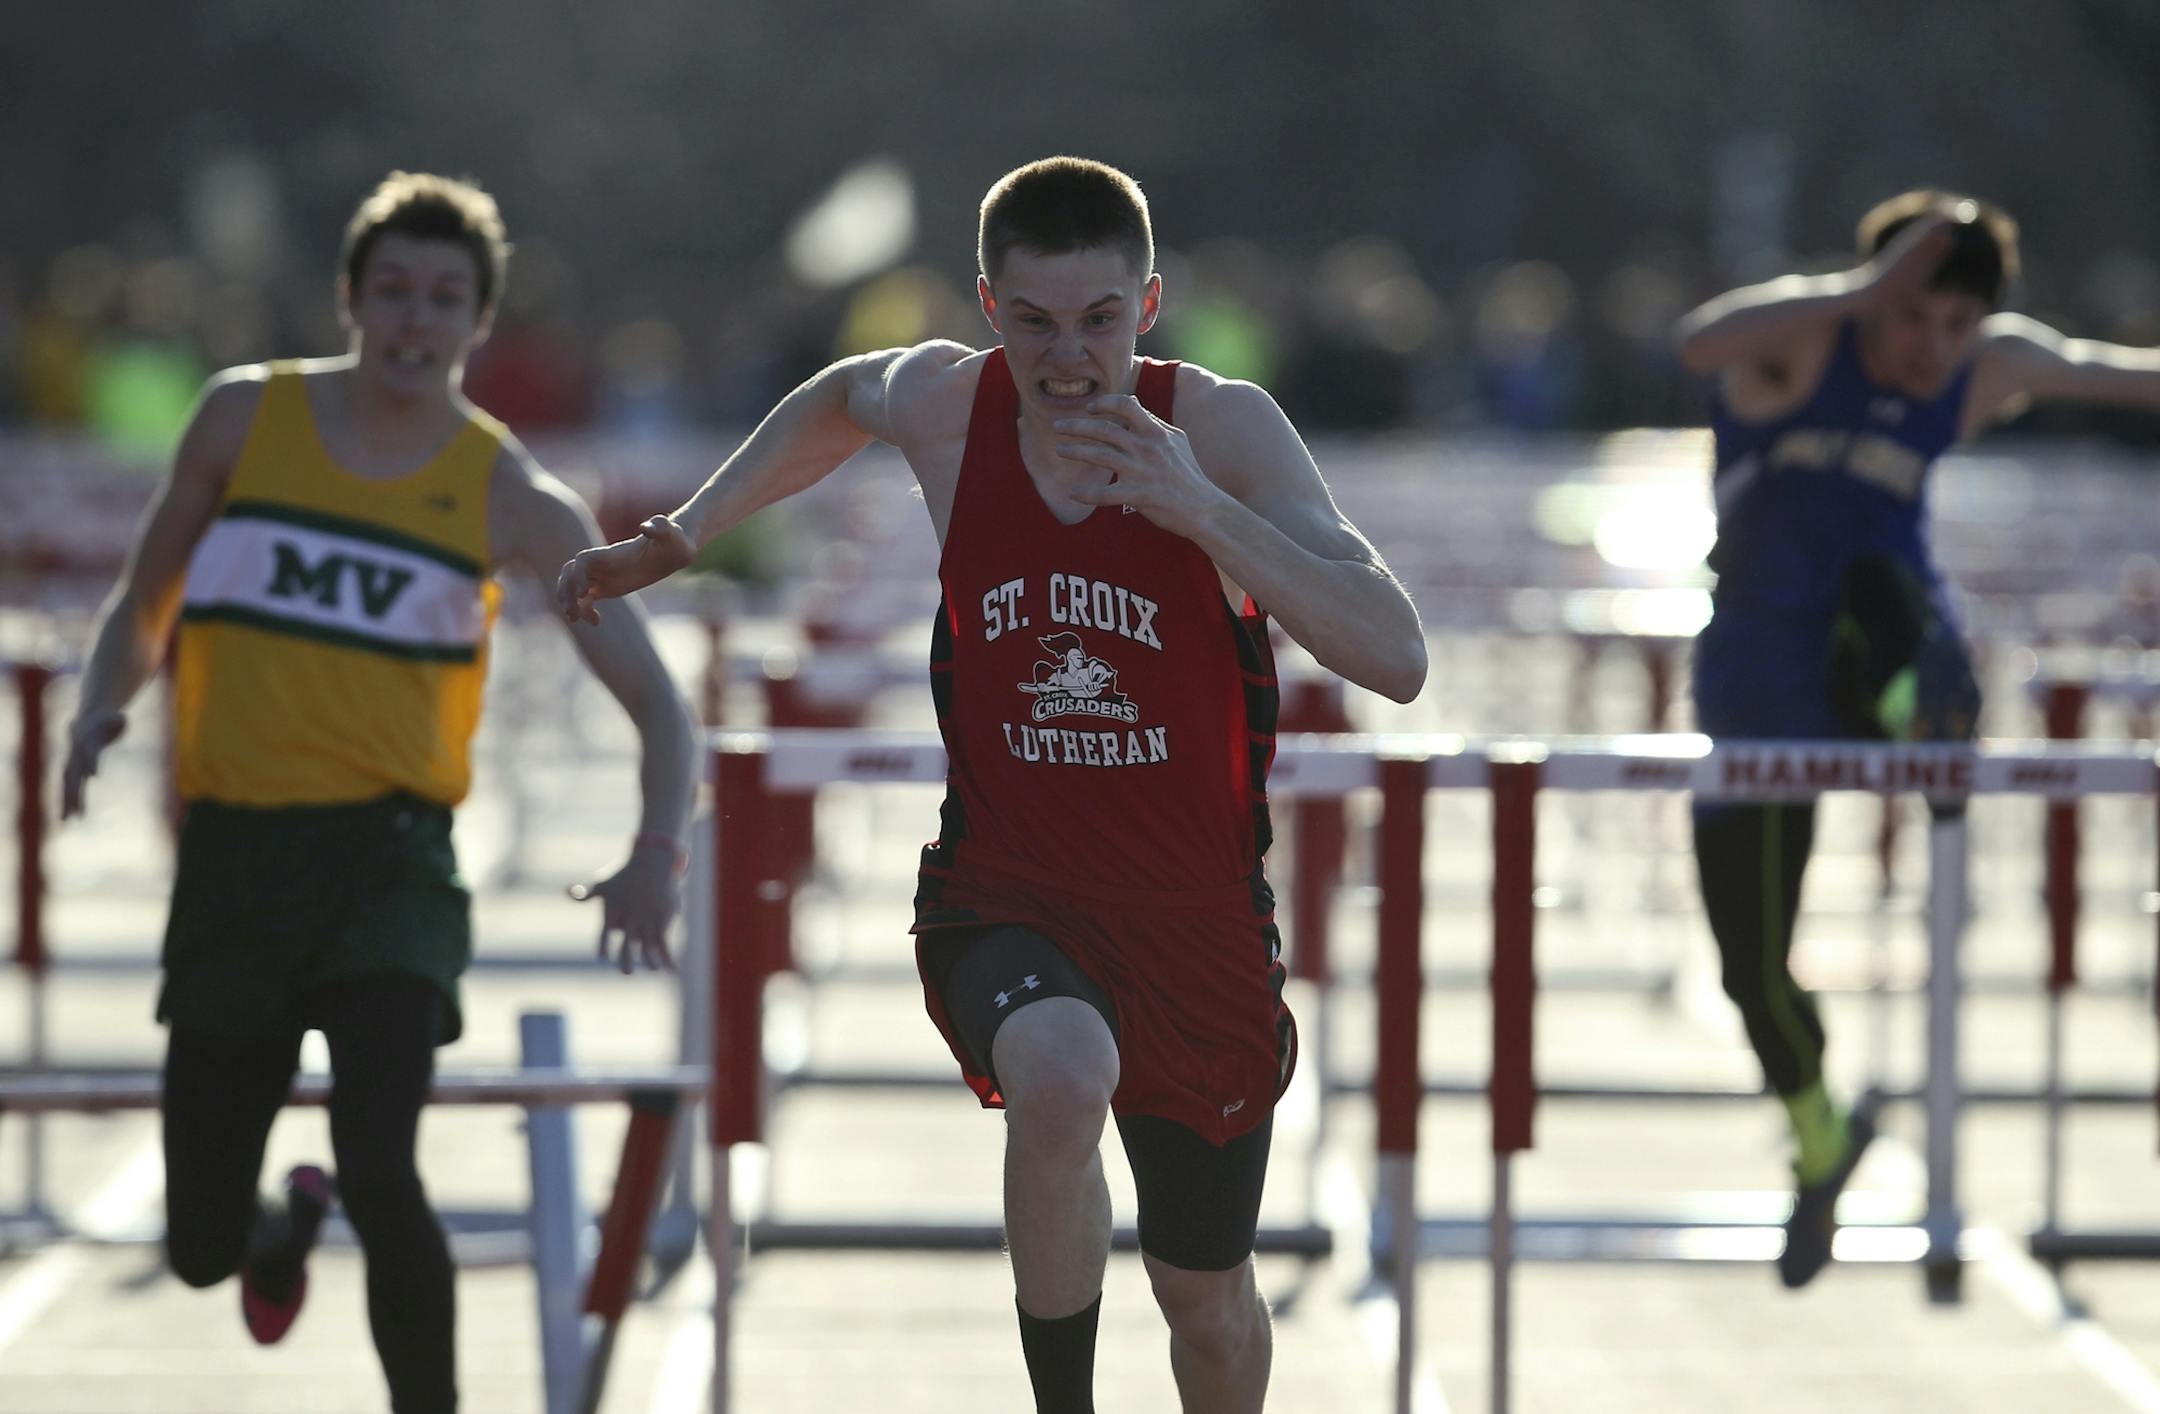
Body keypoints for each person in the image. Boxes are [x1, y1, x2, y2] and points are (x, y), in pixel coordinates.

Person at [559, 155, 1426, 1413]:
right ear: (985, 307)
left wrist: (1196, 508)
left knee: (1211, 1307)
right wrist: (685, 531)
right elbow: (841, 398)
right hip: (1009, 890)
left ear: (1150, 303)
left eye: (1098, 322)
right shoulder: (947, 412)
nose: (1067, 359)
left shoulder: (1225, 426)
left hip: (1198, 924)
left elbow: (1395, 654)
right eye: (1032, 323)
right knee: (1061, 1074)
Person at [60, 171, 696, 1414]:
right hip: (236, 858)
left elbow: (661, 705)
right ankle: (272, 1226)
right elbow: (145, 597)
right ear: (349, 298)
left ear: (478, 324)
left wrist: (654, 847)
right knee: (195, 1242)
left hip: (392, 862)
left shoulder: (511, 494)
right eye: (393, 291)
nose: (414, 321)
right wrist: (101, 702)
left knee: (383, 1159)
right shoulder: (244, 419)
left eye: (444, 299)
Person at [1676, 189, 2160, 1289]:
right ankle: (1819, 1136)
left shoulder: (1987, 366)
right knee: (1752, 966)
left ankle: (1926, 726)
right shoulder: (1802, 349)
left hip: (1880, 647)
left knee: (1889, 593)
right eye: (1910, 318)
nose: (1930, 349)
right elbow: (1699, 340)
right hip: (1755, 682)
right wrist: (1860, 291)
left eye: (1954, 327)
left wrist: (1939, 316)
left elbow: (2126, 375)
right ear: (1872, 299)